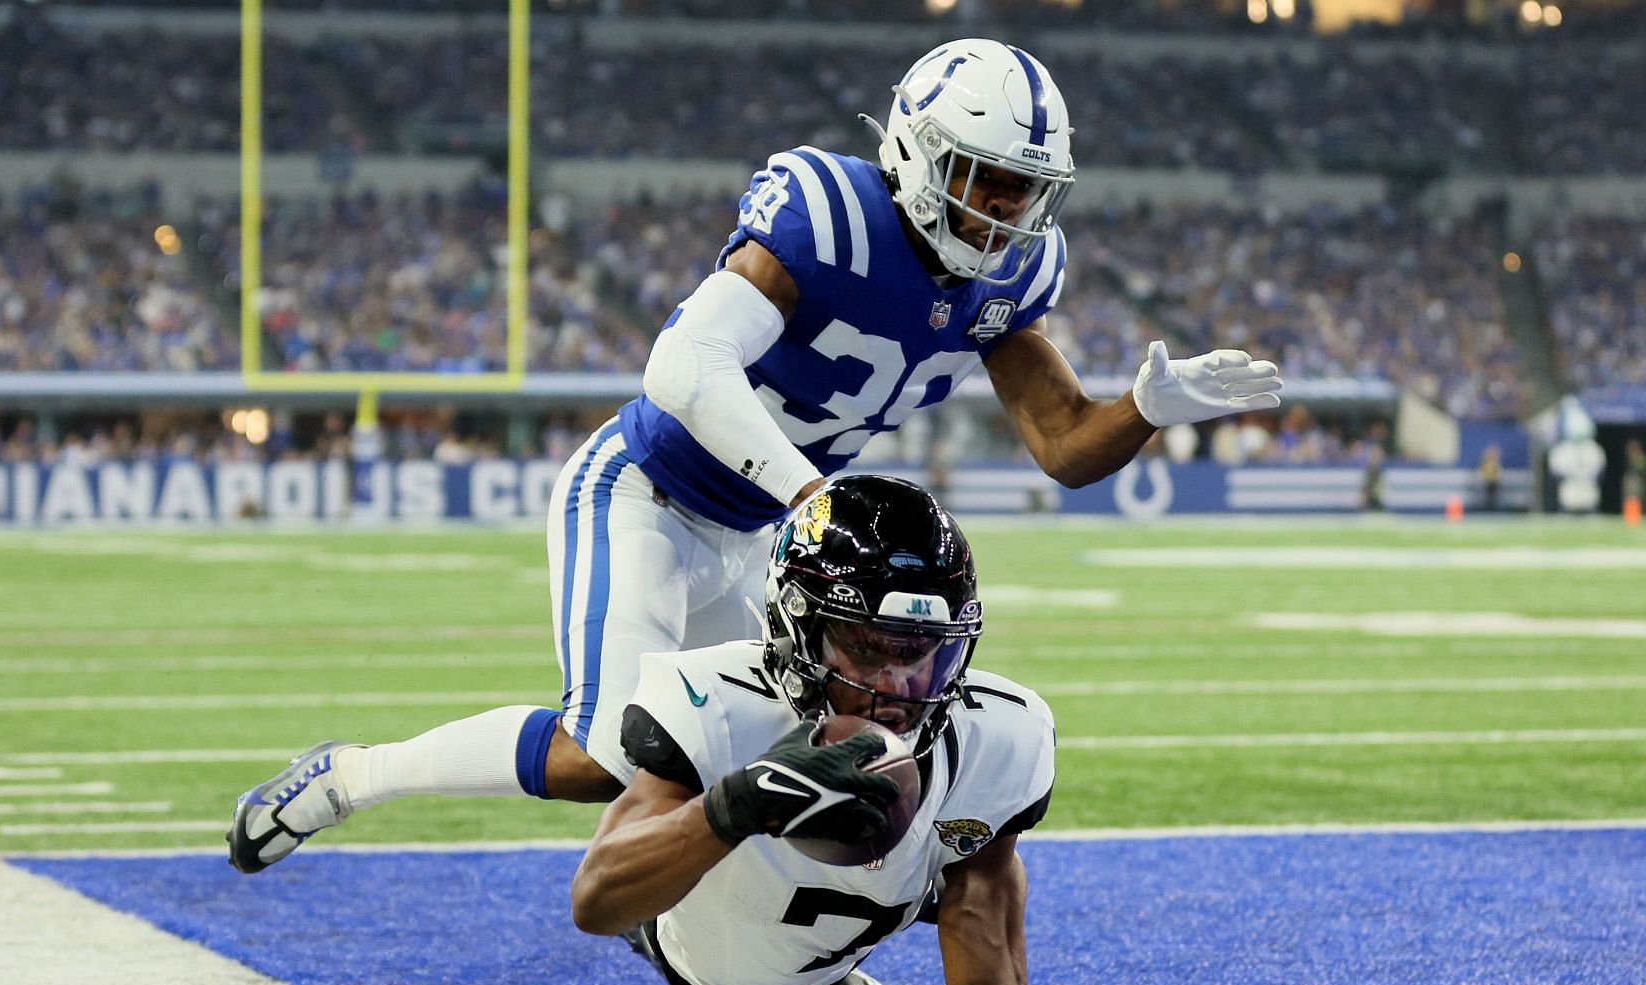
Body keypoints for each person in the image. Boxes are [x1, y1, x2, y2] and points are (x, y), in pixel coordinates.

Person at [227, 38, 1281, 872]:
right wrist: (813, 493)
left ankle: (780, 958)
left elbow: (1063, 445)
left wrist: (1149, 403)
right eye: (983, 178)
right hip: (645, 493)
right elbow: (682, 366)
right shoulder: (831, 212)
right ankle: (351, 777)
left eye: (1022, 187)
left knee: (778, 763)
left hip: (761, 536)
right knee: (608, 754)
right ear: (916, 153)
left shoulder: (1012, 275)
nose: (1003, 210)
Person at [571, 475, 1090, 985]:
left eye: (923, 654)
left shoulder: (997, 740)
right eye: (870, 650)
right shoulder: (713, 699)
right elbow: (595, 898)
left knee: (952, 879)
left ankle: (849, 982)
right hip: (726, 933)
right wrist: (740, 804)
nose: (897, 690)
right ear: (793, 626)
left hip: (897, 886)